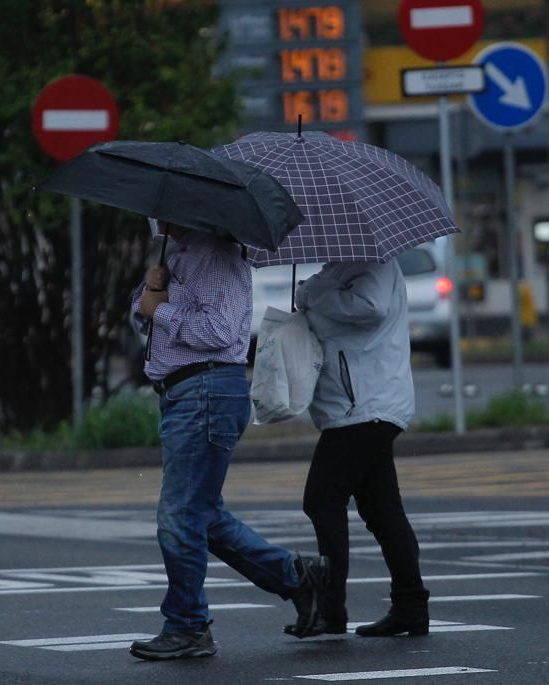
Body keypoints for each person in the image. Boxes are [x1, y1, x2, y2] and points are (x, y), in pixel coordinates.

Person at [127, 220, 328, 661]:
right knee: (204, 517)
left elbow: (217, 332)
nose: (154, 218)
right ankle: (296, 576)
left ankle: (188, 625)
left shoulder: (215, 255)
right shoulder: (176, 256)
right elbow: (141, 313)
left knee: (180, 516)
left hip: (206, 392)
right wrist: (149, 295)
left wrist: (159, 309)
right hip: (185, 394)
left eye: (162, 210)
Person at [288, 259, 429, 638]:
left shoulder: (374, 261)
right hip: (358, 404)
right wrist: (311, 292)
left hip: (366, 405)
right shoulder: (344, 263)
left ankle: (331, 611)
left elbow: (369, 307)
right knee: (382, 510)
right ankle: (410, 607)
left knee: (321, 499)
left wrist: (312, 293)